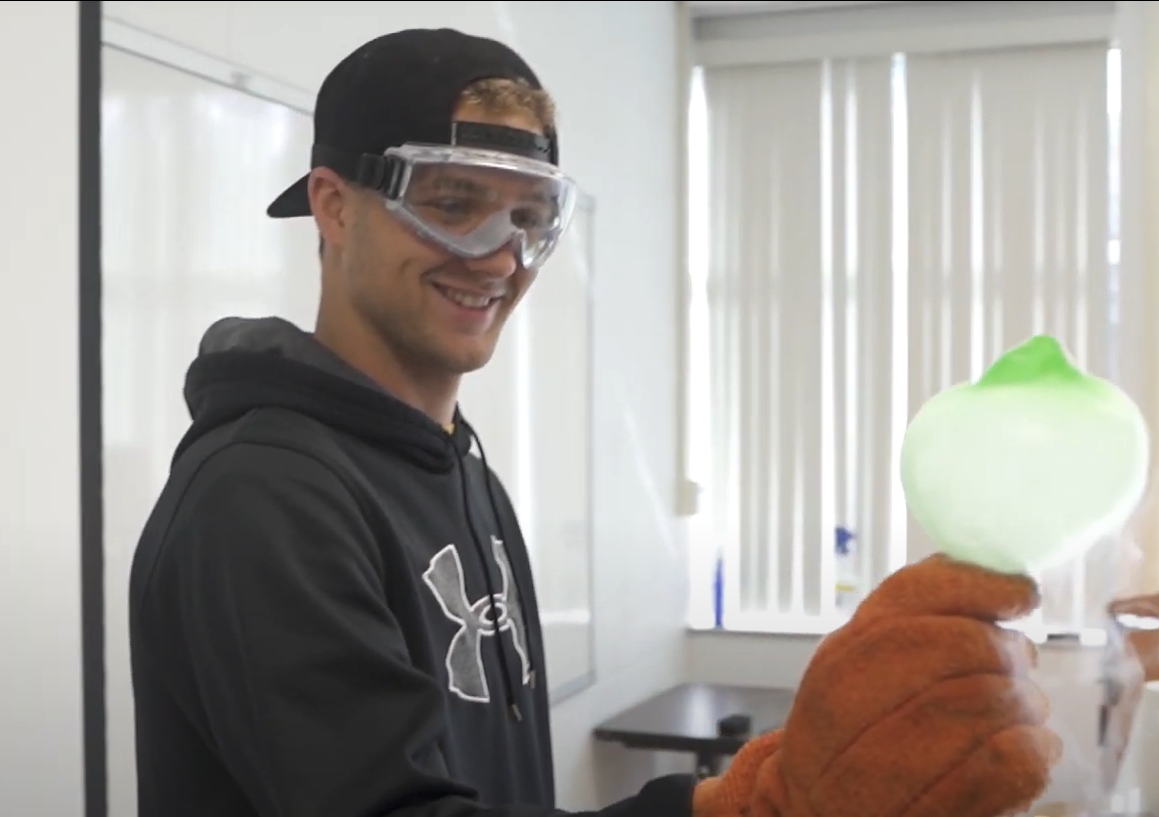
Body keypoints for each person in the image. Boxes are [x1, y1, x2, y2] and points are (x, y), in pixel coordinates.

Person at [128, 27, 1061, 817]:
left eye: (531, 218)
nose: (499, 258)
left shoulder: (464, 474)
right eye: (453, 204)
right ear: (334, 206)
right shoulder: (263, 498)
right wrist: (755, 803)